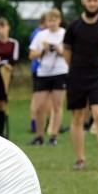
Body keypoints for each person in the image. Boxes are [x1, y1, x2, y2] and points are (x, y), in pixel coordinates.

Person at [63, 0, 98, 172]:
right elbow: (66, 50)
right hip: (76, 76)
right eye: (89, 0)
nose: (92, 3)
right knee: (77, 117)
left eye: (95, 0)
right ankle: (80, 159)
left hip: (97, 76)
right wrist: (75, 67)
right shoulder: (74, 26)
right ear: (83, 1)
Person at [29, 9, 68, 146]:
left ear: (59, 20)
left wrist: (60, 51)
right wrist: (42, 52)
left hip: (60, 72)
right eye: (49, 20)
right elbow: (31, 54)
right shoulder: (40, 35)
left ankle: (53, 136)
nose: (52, 23)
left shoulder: (64, 34)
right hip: (43, 72)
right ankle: (39, 136)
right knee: (39, 106)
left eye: (54, 20)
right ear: (46, 22)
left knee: (57, 106)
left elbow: (71, 53)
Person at [28, 13, 47, 133]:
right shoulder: (39, 34)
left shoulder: (38, 32)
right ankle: (34, 122)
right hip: (38, 68)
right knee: (37, 98)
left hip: (40, 69)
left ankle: (39, 123)